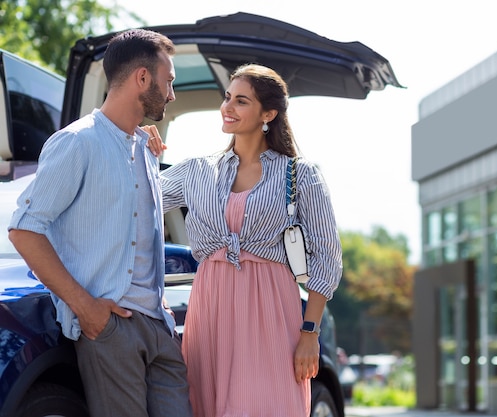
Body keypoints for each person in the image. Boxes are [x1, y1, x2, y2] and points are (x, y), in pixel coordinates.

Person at [8, 29, 192, 417]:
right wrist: (84, 307)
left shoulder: (145, 149)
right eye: (168, 80)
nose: (172, 93)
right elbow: (24, 228)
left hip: (159, 327)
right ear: (142, 78)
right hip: (111, 330)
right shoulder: (77, 142)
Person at [153, 63, 342, 417]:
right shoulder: (197, 170)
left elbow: (327, 258)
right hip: (210, 308)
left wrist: (310, 334)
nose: (227, 107)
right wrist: (140, 152)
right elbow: (136, 198)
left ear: (268, 113)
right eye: (227, 98)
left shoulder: (301, 175)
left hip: (271, 311)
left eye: (241, 101)